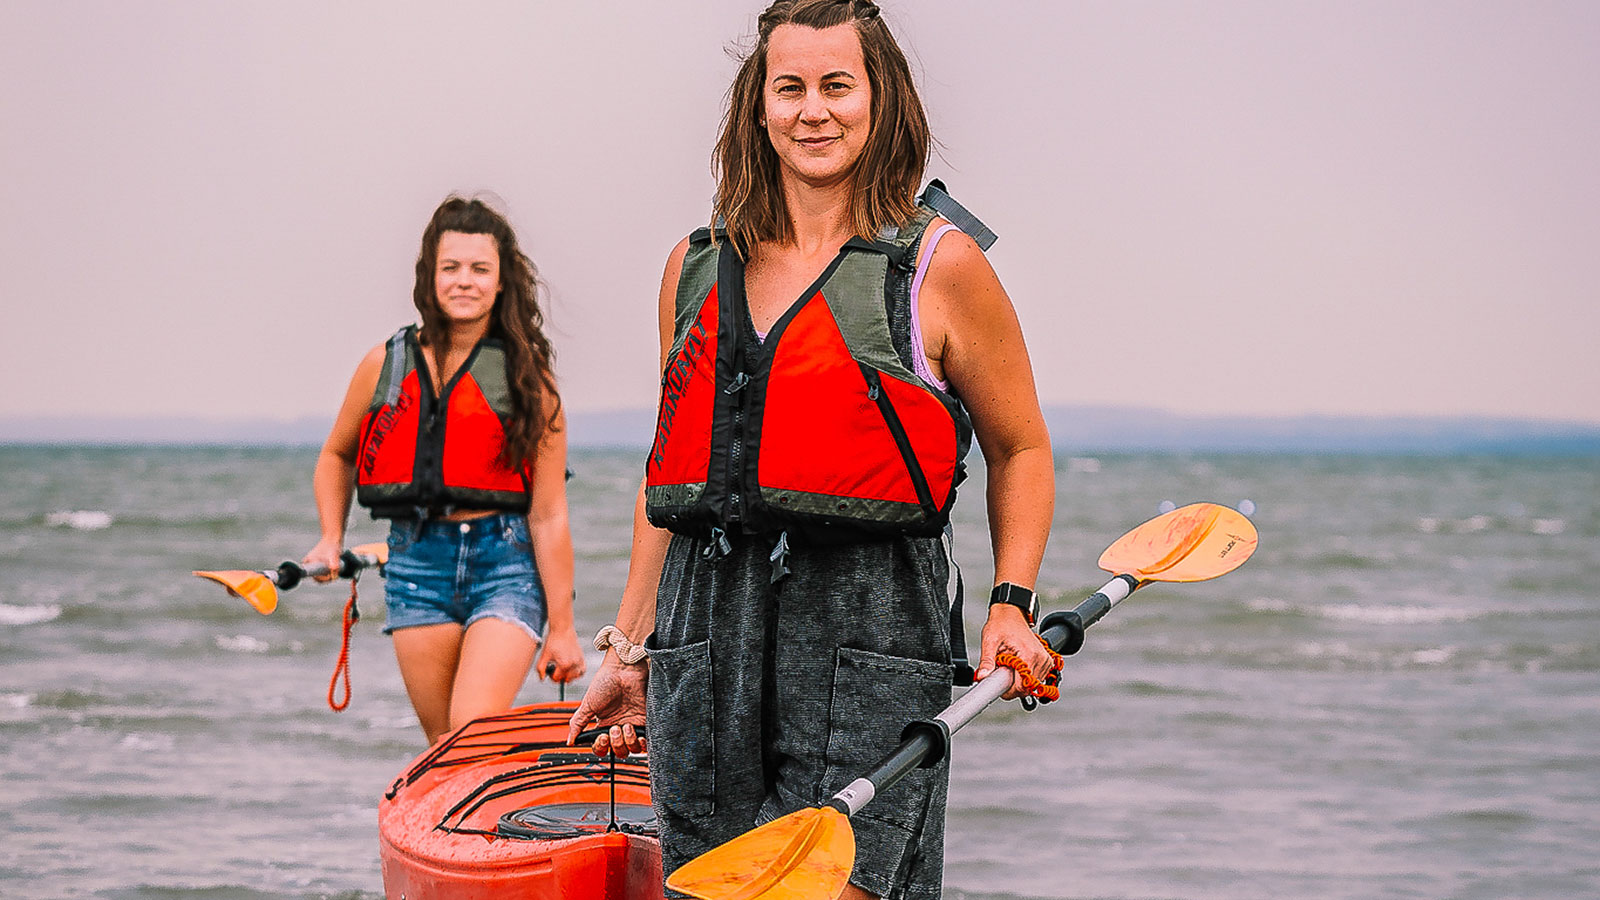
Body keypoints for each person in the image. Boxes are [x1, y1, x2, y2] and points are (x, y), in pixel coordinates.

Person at [568, 2, 1056, 898]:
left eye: (838, 85)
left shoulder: (941, 268)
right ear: (758, 106)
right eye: (789, 87)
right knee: (711, 888)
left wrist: (1011, 604)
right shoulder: (694, 264)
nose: (813, 110)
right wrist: (629, 652)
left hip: (872, 621)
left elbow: (1020, 447)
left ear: (882, 101)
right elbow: (672, 472)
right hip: (704, 627)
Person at [304, 196, 585, 746]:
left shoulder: (531, 383)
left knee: (470, 731)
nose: (465, 281)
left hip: (505, 563)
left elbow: (548, 514)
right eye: (450, 268)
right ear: (428, 277)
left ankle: (505, 821)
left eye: (480, 269)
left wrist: (563, 630)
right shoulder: (383, 364)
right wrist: (331, 538)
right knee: (443, 747)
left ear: (501, 281)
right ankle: (463, 832)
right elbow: (337, 454)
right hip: (417, 564)